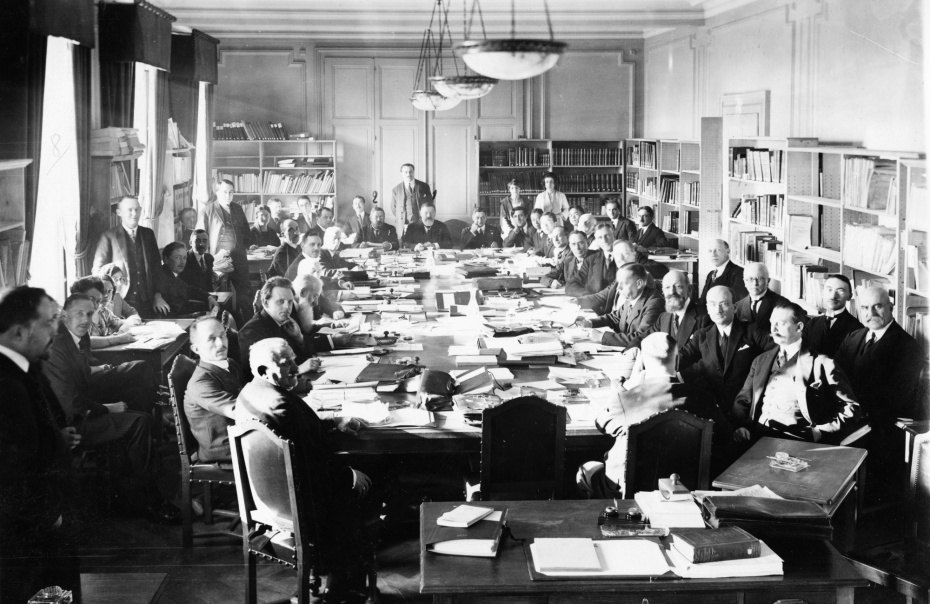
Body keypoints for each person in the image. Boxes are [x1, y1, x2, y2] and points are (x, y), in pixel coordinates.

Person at [235, 338, 375, 597]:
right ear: (264, 371)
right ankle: (343, 583)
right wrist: (349, 475)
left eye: (293, 360)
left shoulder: (252, 392)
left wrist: (334, 420)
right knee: (377, 479)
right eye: (285, 363)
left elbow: (299, 429)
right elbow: (311, 463)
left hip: (271, 501)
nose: (295, 368)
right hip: (301, 506)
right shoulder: (282, 403)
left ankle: (340, 578)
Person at [42, 293, 178, 522]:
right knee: (138, 422)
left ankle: (128, 474)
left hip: (77, 408)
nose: (85, 319)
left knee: (137, 384)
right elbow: (72, 404)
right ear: (64, 315)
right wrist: (107, 409)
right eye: (79, 313)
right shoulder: (58, 347)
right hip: (69, 425)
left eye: (89, 313)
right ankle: (150, 501)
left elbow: (83, 376)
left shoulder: (77, 336)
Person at [576, 333, 731, 498]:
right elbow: (725, 434)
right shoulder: (704, 399)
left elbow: (601, 424)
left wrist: (626, 387)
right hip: (683, 489)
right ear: (677, 360)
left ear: (641, 362)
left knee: (584, 470)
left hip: (628, 491)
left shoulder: (626, 398)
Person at [0, 287, 81, 603]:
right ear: (19, 331)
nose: (56, 330)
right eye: (49, 323)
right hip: (28, 540)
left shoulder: (25, 367)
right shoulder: (5, 386)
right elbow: (9, 473)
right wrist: (49, 516)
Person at [732, 302, 861, 446]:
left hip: (798, 442)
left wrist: (820, 432)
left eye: (780, 324)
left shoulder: (823, 363)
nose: (773, 329)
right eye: (771, 323)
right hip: (758, 439)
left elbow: (851, 407)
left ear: (799, 327)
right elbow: (743, 400)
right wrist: (741, 425)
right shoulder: (761, 360)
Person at [834, 287, 924, 470]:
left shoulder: (908, 347)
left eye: (877, 307)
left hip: (878, 429)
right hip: (848, 417)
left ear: (890, 308)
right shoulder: (854, 336)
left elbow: (894, 398)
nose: (871, 313)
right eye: (865, 308)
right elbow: (834, 374)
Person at [678, 286, 773, 412]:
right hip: (712, 408)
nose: (718, 310)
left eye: (724, 304)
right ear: (707, 308)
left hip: (745, 406)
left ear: (734, 307)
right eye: (713, 304)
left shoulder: (752, 331)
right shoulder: (701, 335)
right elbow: (680, 359)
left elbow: (778, 351)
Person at [237, 277, 323, 382]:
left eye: (290, 302)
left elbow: (298, 357)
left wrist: (299, 338)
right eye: (280, 301)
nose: (287, 307)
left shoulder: (283, 322)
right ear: (266, 302)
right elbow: (257, 377)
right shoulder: (251, 332)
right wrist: (298, 370)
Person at [185, 316, 243, 463]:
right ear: (196, 349)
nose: (220, 343)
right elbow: (240, 411)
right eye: (211, 339)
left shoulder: (230, 364)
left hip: (241, 435)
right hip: (225, 450)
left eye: (223, 336)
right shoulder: (200, 382)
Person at [92, 196, 161, 318]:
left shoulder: (148, 234)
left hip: (148, 301)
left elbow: (157, 269)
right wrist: (111, 297)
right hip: (123, 301)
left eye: (137, 209)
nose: (134, 214)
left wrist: (158, 295)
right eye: (130, 210)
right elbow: (98, 272)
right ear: (119, 212)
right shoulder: (109, 236)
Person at [197, 179, 254, 320]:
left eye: (231, 192)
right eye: (224, 192)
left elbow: (246, 231)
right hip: (219, 260)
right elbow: (199, 238)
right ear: (217, 192)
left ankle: (248, 323)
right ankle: (225, 324)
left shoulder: (238, 208)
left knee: (245, 294)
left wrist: (247, 246)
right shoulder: (207, 211)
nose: (228, 196)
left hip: (239, 258)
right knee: (222, 295)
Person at [576, 263, 664, 347]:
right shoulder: (633, 296)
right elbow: (615, 317)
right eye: (618, 283)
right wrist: (589, 323)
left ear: (639, 284)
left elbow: (642, 337)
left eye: (624, 283)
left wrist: (602, 337)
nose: (618, 288)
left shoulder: (655, 303)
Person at [630, 269, 709, 348]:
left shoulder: (704, 318)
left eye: (678, 286)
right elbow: (641, 338)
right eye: (667, 287)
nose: (672, 292)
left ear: (689, 289)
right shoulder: (663, 317)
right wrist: (632, 349)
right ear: (662, 291)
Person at [69, 276, 136, 349]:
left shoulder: (103, 312)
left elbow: (124, 325)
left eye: (98, 301)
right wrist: (117, 339)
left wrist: (119, 334)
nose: (95, 305)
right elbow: (84, 341)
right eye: (91, 299)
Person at [153, 242, 218, 317]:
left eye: (184, 258)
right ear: (166, 259)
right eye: (178, 257)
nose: (183, 262)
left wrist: (209, 297)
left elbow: (190, 290)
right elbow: (178, 309)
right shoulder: (162, 277)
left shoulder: (173, 275)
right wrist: (203, 313)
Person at [804, 274, 862, 357]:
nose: (833, 296)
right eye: (829, 290)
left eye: (840, 291)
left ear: (849, 296)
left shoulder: (857, 329)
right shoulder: (812, 323)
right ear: (823, 293)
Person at [733, 262, 788, 332]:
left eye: (760, 279)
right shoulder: (737, 307)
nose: (755, 283)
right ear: (744, 282)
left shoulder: (783, 304)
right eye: (750, 279)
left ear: (768, 281)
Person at [566, 222, 616, 296]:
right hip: (597, 304)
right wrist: (587, 296)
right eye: (600, 237)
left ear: (614, 235)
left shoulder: (628, 255)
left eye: (607, 235)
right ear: (596, 240)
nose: (604, 240)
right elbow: (570, 285)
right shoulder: (591, 260)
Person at [699, 239, 749, 303]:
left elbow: (736, 304)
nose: (713, 254)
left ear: (728, 251)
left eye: (718, 250)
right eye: (710, 251)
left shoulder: (739, 272)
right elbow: (703, 301)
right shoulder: (711, 274)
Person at [181, 229, 216, 294]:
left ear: (208, 243)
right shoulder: (184, 260)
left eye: (205, 241)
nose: (201, 244)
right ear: (190, 243)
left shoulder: (209, 258)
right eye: (198, 241)